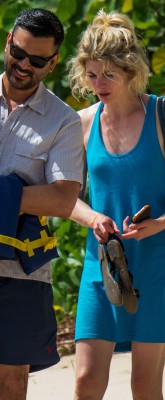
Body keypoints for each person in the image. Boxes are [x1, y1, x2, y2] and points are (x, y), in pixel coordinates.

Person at [68, 9, 165, 400]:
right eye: (92, 74)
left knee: (145, 387)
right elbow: (68, 199)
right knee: (85, 381)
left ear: (131, 70)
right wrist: (93, 216)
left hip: (158, 262)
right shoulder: (82, 122)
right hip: (103, 265)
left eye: (108, 75)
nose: (98, 84)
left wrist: (162, 220)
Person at [0, 8, 84, 400]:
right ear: (8, 43)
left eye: (35, 61)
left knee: (11, 378)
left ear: (51, 63)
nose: (22, 65)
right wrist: (18, 196)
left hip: (21, 270)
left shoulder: (63, 121)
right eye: (18, 53)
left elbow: (63, 198)